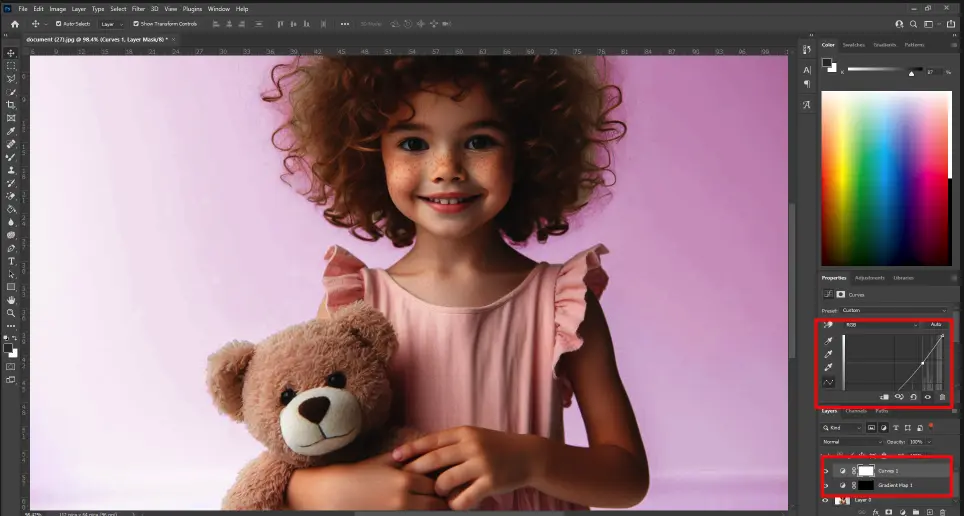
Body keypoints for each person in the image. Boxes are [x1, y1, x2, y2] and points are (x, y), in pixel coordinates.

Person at [261, 55, 649, 511]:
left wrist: (528, 461)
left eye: (479, 140)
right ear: (369, 153)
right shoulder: (355, 305)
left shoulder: (563, 301)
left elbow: (627, 479)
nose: (447, 167)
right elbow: (301, 456)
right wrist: (326, 490)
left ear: (528, 151)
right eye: (412, 143)